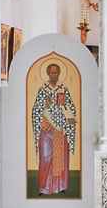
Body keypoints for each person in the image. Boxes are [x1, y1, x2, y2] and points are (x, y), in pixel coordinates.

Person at [31, 62, 77, 195]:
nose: (54, 75)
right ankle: (44, 187)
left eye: (56, 73)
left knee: (61, 157)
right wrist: (44, 106)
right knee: (46, 157)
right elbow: (36, 110)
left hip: (60, 129)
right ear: (47, 73)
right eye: (51, 73)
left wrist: (68, 114)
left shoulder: (63, 88)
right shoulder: (43, 89)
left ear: (59, 73)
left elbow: (71, 106)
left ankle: (60, 186)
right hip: (46, 129)